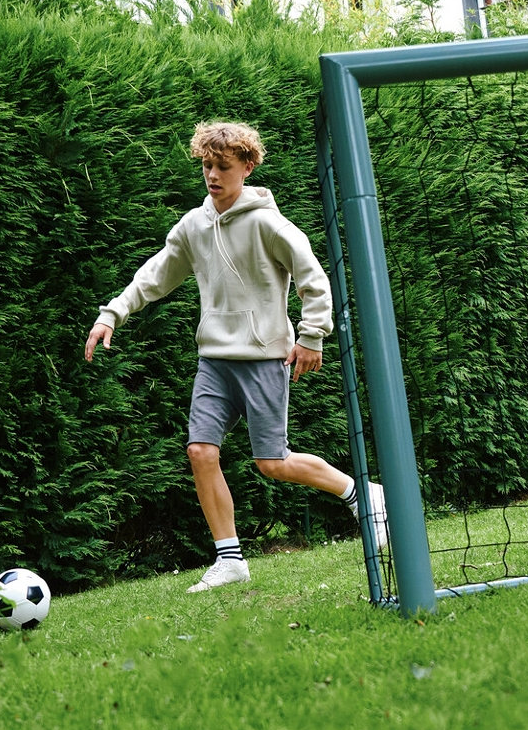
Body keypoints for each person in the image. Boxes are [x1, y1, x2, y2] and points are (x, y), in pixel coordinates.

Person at [83, 121, 384, 592]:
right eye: (207, 165)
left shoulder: (268, 223)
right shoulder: (193, 225)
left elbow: (314, 280)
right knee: (201, 451)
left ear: (247, 166)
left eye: (223, 166)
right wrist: (112, 314)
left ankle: (363, 494)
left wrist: (311, 337)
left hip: (265, 358)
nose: (212, 175)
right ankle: (230, 560)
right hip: (214, 361)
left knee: (273, 462)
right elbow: (154, 275)